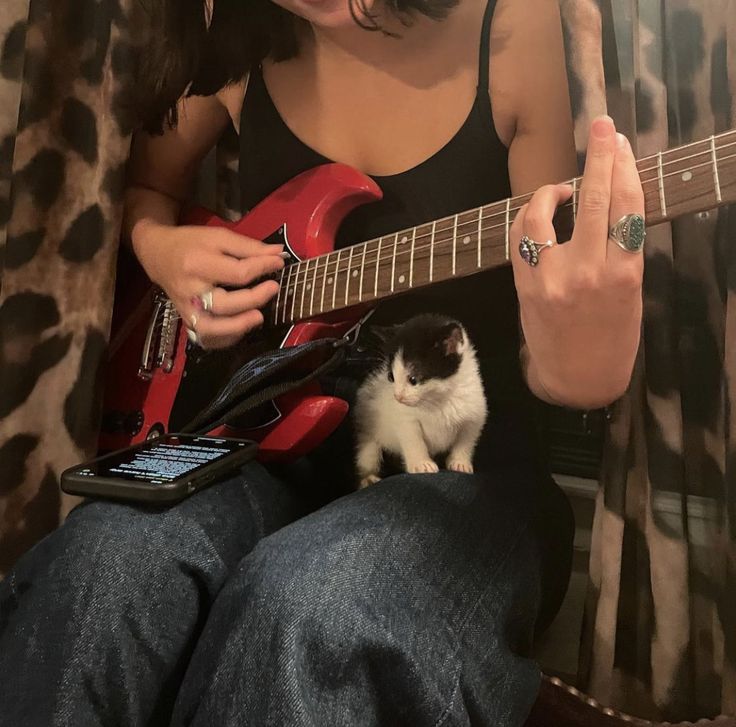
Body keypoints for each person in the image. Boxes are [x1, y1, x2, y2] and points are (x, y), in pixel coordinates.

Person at [0, 0, 645, 724]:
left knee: (313, 610)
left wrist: (583, 353)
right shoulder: (243, 34)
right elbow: (145, 186)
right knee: (97, 566)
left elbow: (559, 344)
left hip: (466, 467)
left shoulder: (518, 26)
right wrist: (162, 249)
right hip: (258, 442)